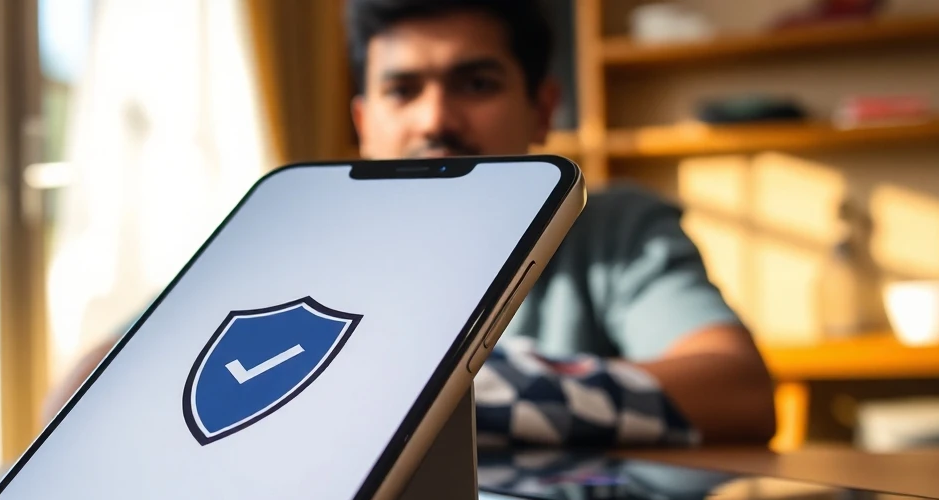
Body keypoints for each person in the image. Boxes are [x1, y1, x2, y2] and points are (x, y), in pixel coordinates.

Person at [44, 0, 775, 446]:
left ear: (542, 108)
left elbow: (735, 388)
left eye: (476, 83)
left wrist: (443, 397)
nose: (435, 119)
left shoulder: (612, 227)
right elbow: (81, 388)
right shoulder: (279, 238)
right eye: (403, 89)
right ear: (365, 120)